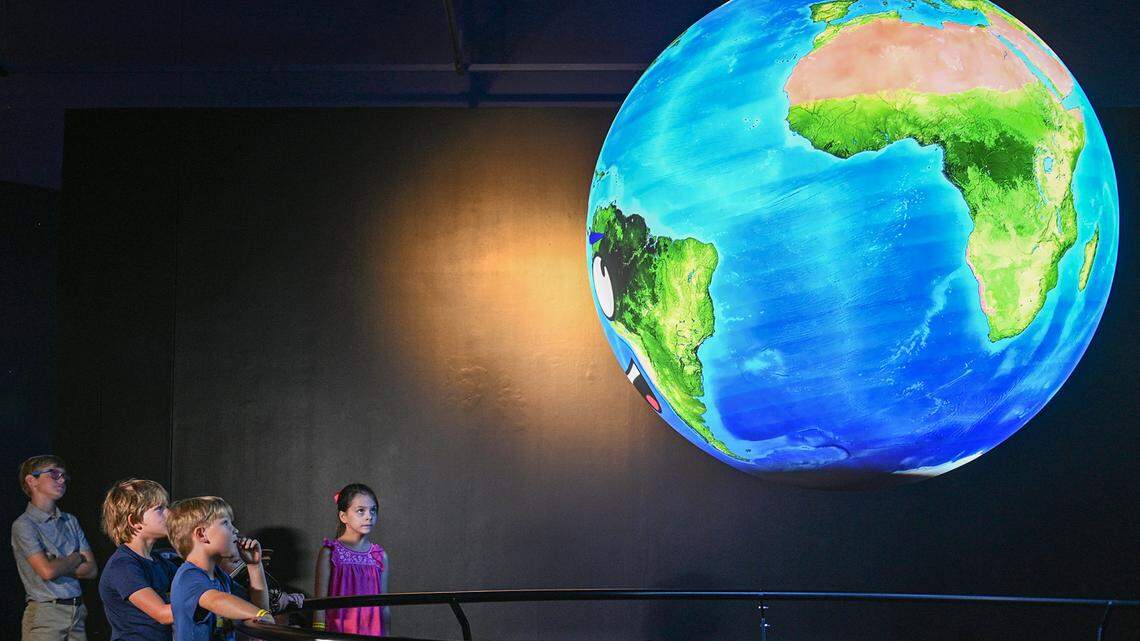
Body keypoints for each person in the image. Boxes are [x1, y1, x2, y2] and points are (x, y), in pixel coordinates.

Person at [10, 455, 99, 641]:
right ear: (31, 480)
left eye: (64, 476)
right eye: (54, 473)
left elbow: (91, 570)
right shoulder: (24, 524)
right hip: (46, 614)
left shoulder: (70, 521)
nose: (62, 479)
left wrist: (58, 562)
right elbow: (47, 571)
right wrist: (75, 558)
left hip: (76, 611)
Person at [166, 497, 272, 641]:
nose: (235, 530)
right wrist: (260, 614)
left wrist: (254, 566)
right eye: (225, 523)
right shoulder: (188, 577)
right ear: (202, 534)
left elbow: (259, 608)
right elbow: (216, 600)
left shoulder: (219, 576)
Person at [98, 479, 181, 641]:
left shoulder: (158, 561)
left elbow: (195, 585)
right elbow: (163, 614)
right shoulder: (123, 566)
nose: (169, 513)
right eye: (159, 509)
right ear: (135, 521)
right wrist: (212, 604)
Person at [313, 483, 389, 635]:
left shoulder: (379, 556)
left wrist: (386, 635)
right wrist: (318, 634)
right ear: (343, 516)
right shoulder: (330, 552)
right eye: (361, 511)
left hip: (372, 634)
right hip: (338, 632)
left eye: (373, 510)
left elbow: (384, 605)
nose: (369, 516)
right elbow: (319, 603)